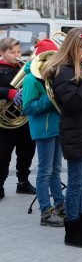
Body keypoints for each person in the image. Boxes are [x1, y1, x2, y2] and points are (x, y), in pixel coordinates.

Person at [43, 29, 82, 248]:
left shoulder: (79, 68)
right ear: (74, 48)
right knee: (75, 184)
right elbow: (72, 105)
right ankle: (73, 232)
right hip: (75, 133)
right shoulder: (63, 71)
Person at [22, 39, 64, 226]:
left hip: (58, 128)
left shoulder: (54, 75)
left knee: (55, 170)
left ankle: (60, 205)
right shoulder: (31, 79)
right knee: (45, 171)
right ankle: (46, 212)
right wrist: (50, 98)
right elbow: (28, 108)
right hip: (43, 130)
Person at [0, 37, 36, 199]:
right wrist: (9, 93)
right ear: (2, 53)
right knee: (3, 154)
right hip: (5, 122)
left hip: (24, 119)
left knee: (27, 150)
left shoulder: (25, 68)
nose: (17, 55)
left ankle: (23, 182)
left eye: (19, 51)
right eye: (12, 52)